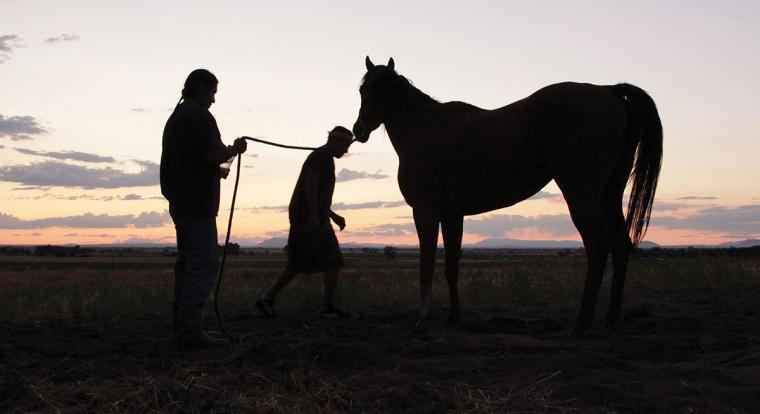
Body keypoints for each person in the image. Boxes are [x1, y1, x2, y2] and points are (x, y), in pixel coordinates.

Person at [160, 68, 247, 349]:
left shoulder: (177, 117)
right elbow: (213, 155)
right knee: (204, 264)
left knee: (187, 265)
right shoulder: (197, 116)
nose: (213, 100)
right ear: (199, 87)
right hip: (197, 202)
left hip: (182, 200)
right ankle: (190, 332)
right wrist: (234, 149)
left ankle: (182, 327)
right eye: (211, 92)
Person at [256, 126, 354, 319]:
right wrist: (314, 216)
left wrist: (331, 215)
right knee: (333, 261)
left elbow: (316, 192)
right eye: (345, 146)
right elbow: (310, 185)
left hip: (310, 215)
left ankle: (267, 300)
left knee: (298, 263)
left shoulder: (322, 157)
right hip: (308, 217)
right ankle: (326, 307)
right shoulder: (322, 157)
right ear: (336, 142)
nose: (346, 151)